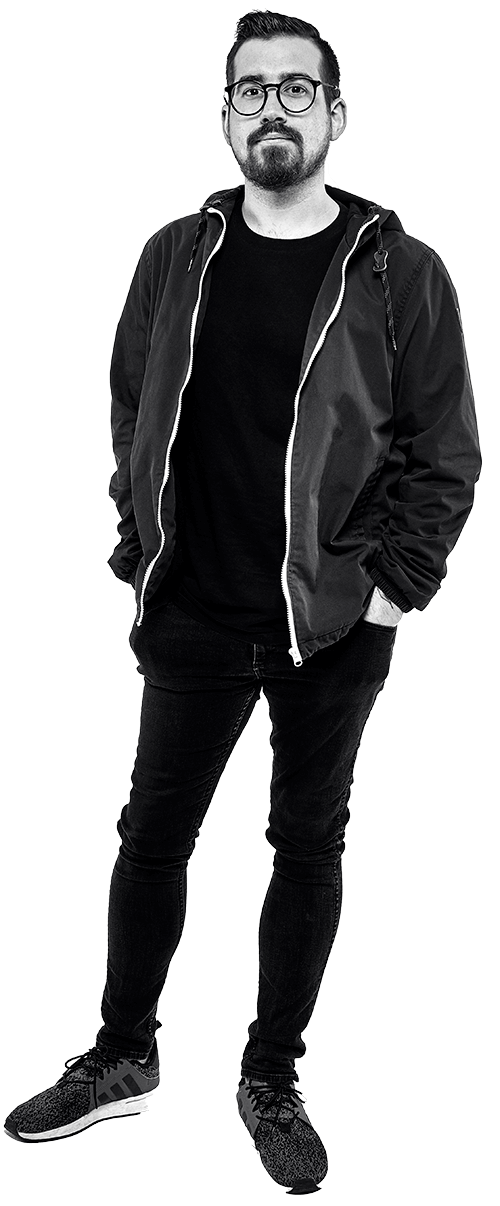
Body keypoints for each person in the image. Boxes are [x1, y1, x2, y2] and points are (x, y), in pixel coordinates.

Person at [4, 8, 480, 1190]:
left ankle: (270, 1080)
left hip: (332, 619)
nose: (274, 108)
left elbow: (446, 448)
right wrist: (139, 550)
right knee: (149, 842)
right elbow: (127, 404)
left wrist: (391, 591)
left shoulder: (397, 268)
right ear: (225, 117)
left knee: (305, 847)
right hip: (190, 610)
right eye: (252, 89)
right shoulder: (175, 251)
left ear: (335, 116)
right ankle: (121, 1059)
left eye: (295, 89)